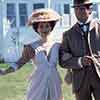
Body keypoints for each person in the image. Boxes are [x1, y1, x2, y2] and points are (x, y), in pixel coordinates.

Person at [0, 8, 63, 100]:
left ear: (51, 27)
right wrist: (5, 71)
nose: (44, 29)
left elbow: (66, 60)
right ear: (37, 29)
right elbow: (20, 63)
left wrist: (70, 72)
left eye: (47, 26)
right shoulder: (31, 46)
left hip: (54, 81)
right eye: (41, 26)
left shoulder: (58, 45)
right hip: (39, 81)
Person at [59, 0, 100, 100]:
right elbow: (63, 60)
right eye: (76, 9)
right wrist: (79, 61)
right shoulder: (68, 34)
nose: (78, 12)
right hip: (80, 81)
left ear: (90, 10)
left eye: (82, 9)